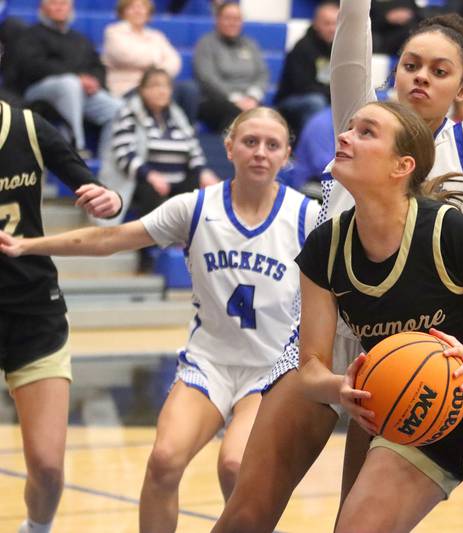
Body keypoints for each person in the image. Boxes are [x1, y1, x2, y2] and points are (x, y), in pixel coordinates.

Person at [212, 1, 463, 531]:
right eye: (411, 65)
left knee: (355, 521)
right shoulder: (361, 122)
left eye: (440, 72)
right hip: (328, 343)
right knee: (248, 509)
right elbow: (354, 21)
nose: (421, 78)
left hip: (406, 350)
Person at [0, 107, 318, 533]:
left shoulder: (307, 216)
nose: (260, 152)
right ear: (229, 148)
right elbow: (111, 238)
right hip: (209, 363)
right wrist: (28, 246)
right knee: (165, 460)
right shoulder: (195, 207)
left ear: (287, 156)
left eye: (272, 145)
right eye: (250, 142)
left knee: (235, 466)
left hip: (269, 370)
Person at [302, 99, 463, 532]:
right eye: (348, 128)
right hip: (414, 422)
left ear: (401, 166)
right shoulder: (325, 247)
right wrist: (339, 386)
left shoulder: (450, 231)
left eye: (366, 132)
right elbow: (309, 369)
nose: (344, 137)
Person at [0, 99, 122, 533]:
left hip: (34, 312)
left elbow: (95, 188)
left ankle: (37, 527)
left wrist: (109, 198)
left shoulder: (27, 127)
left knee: (48, 468)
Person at [99, 67, 218, 230]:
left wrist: (203, 171)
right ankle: (147, 250)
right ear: (142, 90)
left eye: (165, 86)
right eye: (155, 86)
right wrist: (150, 175)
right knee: (151, 190)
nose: (161, 91)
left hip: (176, 181)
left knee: (203, 185)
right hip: (141, 182)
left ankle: (192, 244)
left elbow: (193, 148)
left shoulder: (177, 114)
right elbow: (124, 154)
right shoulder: (128, 113)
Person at [13, 0, 122, 155]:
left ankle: (108, 158)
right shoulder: (31, 34)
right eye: (54, 3)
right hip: (38, 92)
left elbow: (97, 66)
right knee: (70, 83)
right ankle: (77, 145)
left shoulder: (80, 39)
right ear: (42, 8)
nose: (59, 7)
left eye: (64, 3)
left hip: (81, 93)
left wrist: (94, 81)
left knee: (119, 109)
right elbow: (33, 66)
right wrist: (78, 77)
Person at [101, 0, 200, 123]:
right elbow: (124, 55)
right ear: (122, 12)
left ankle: (185, 135)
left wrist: (155, 74)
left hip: (159, 83)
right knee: (160, 91)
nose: (138, 11)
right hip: (129, 87)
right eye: (132, 7)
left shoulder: (156, 35)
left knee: (189, 89)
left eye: (142, 7)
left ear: (148, 13)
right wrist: (157, 61)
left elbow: (174, 61)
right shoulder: (114, 31)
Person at [193, 1, 270, 133]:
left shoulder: (250, 44)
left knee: (270, 116)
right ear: (217, 20)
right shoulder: (206, 43)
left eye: (237, 19)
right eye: (228, 18)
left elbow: (262, 74)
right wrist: (235, 98)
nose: (232, 23)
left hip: (249, 100)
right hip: (215, 101)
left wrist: (253, 97)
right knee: (237, 116)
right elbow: (207, 78)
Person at [274, 0, 338, 135]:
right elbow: (303, 87)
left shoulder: (340, 49)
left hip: (325, 97)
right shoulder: (302, 47)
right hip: (291, 101)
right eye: (327, 23)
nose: (332, 28)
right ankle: (311, 149)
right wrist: (333, 94)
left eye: (335, 23)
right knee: (316, 102)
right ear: (316, 24)